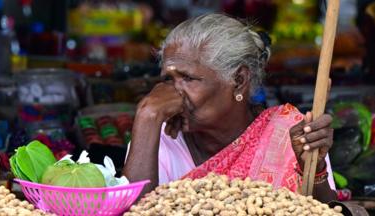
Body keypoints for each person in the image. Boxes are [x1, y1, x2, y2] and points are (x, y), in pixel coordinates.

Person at [123, 13, 336, 203]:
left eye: (188, 78)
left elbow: (326, 210)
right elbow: (135, 211)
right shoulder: (157, 138)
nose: (173, 92)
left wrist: (315, 170)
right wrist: (147, 116)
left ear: (239, 79)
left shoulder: (290, 135)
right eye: (169, 79)